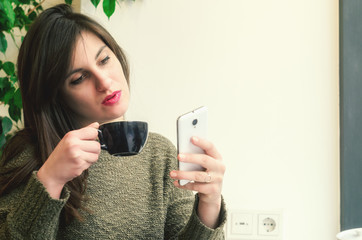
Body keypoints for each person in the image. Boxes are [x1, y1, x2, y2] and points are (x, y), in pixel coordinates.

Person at [0, 4, 226, 239]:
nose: (104, 82)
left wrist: (210, 205)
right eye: (79, 78)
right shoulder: (30, 155)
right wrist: (51, 179)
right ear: (56, 96)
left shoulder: (160, 155)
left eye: (104, 59)